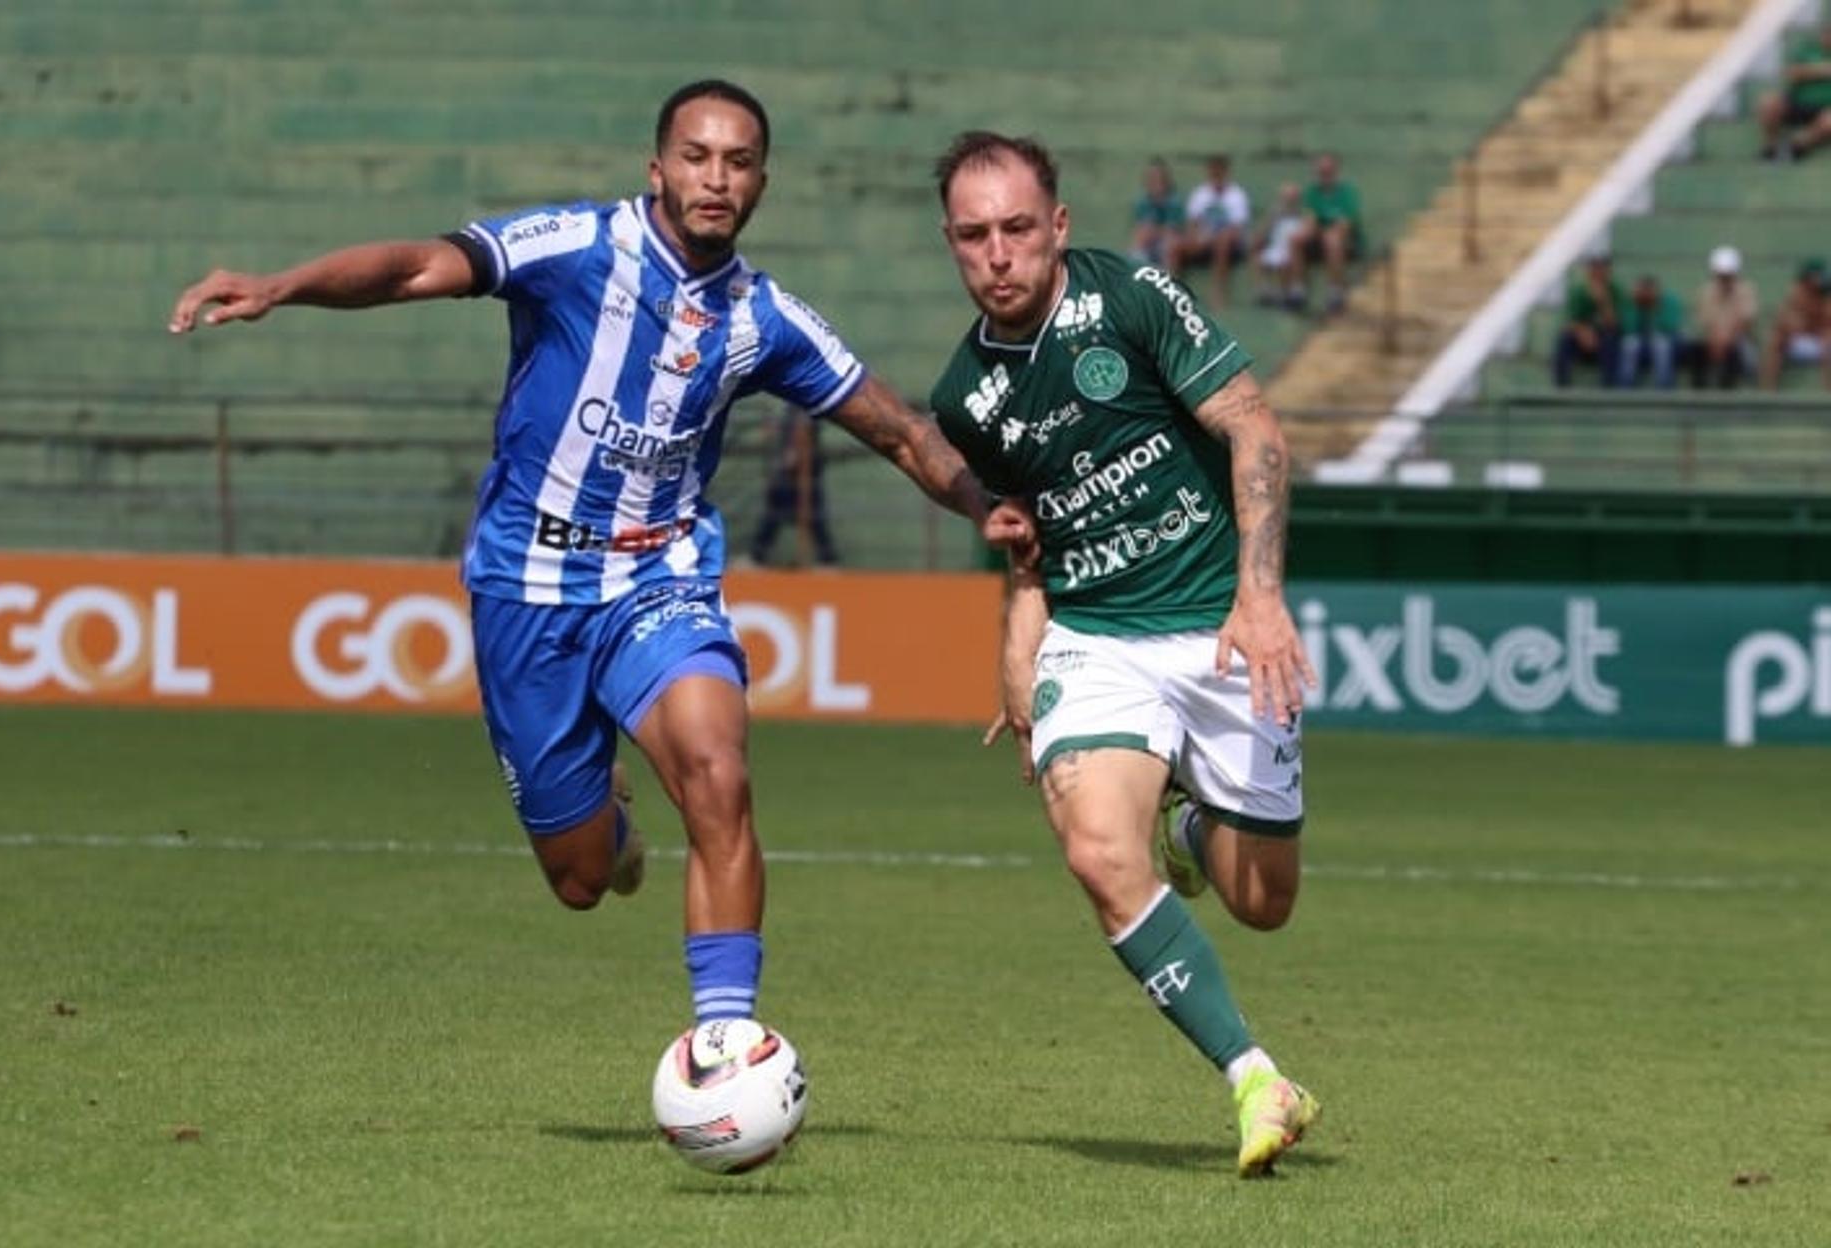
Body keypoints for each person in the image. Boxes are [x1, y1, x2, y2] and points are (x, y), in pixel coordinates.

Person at [169, 80, 1018, 1032]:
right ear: (657, 170)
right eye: (696, 156)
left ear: (761, 185)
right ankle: (605, 819)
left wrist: (985, 503)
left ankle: (725, 1043)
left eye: (738, 163)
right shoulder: (575, 248)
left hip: (656, 581)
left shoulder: (761, 319)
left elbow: (900, 429)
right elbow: (417, 267)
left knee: (717, 772)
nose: (716, 177)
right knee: (580, 878)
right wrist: (282, 287)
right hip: (524, 588)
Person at [927, 131, 1319, 1177]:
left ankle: (1193, 825)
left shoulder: (1132, 298)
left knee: (1262, 902)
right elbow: (1031, 552)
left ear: (1058, 227)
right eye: (974, 236)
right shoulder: (967, 398)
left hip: (1222, 626)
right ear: (952, 246)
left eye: (1017, 228)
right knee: (1099, 853)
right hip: (1098, 641)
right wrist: (1020, 659)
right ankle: (1254, 1078)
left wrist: (1262, 594)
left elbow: (1256, 431)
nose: (998, 253)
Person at [746, 401, 839, 567]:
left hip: (802, 469)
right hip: (793, 469)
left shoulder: (803, 406)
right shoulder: (790, 406)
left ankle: (827, 559)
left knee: (810, 514)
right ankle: (757, 555)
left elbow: (804, 433)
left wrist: (794, 456)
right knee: (778, 512)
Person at [1289, 152, 1363, 314]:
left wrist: (1323, 229)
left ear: (1335, 171)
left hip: (1344, 240)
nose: (1324, 174)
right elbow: (1310, 219)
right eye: (1321, 171)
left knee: (1332, 239)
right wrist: (1310, 230)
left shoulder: (1346, 192)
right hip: (1319, 237)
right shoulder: (1312, 192)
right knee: (1295, 238)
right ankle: (1298, 290)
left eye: (1328, 170)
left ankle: (1335, 291)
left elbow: (1345, 224)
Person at [1176, 155, 1250, 307]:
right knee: (1174, 246)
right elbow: (1192, 224)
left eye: (1219, 171)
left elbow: (1237, 229)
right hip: (1202, 240)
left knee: (1223, 240)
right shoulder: (1200, 194)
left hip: (1229, 243)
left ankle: (1218, 293)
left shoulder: (1236, 195)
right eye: (1213, 171)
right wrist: (1197, 238)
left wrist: (1212, 238)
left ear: (1225, 172)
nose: (1216, 175)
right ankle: (1174, 293)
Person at [1758, 23, 1831, 162]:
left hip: (1826, 108)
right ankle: (1770, 148)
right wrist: (1821, 70)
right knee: (1768, 102)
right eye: (1827, 33)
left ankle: (1798, 146)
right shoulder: (1808, 49)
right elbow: (1790, 72)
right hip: (1797, 102)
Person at [1552, 253, 1626, 388]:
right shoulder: (1578, 291)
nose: (1598, 273)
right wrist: (1584, 333)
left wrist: (1603, 301)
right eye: (1594, 268)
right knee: (1564, 339)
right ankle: (1561, 385)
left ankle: (1608, 386)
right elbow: (1570, 321)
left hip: (1605, 334)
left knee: (1611, 340)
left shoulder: (1617, 291)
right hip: (1583, 334)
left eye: (1602, 269)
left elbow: (1614, 324)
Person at [1690, 245, 1758, 390]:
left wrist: (1726, 341)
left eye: (1728, 275)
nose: (1725, 279)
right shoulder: (1706, 292)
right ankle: (1697, 393)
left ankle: (1727, 392)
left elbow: (1745, 323)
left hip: (1736, 339)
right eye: (1722, 275)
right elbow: (1706, 323)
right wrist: (1715, 341)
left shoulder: (1746, 291)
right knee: (1695, 349)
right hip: (1714, 339)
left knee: (1735, 351)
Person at [1760, 257, 1831, 389]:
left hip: (1821, 343)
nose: (1819, 279)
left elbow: (1826, 324)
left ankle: (1828, 395)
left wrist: (1814, 324)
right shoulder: (1796, 293)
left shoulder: (1826, 294)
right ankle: (1767, 390)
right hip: (1799, 342)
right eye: (1816, 275)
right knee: (1776, 340)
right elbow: (1786, 323)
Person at [1619, 274, 1682, 389]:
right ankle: (1625, 388)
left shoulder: (1669, 301)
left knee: (1661, 345)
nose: (1646, 294)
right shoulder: (1631, 302)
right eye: (1643, 290)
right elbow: (1628, 327)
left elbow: (1670, 327)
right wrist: (1637, 306)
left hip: (1664, 340)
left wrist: (1655, 307)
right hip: (1639, 340)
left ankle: (1664, 388)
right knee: (1629, 344)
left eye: (1649, 290)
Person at [1253, 183, 1307, 308]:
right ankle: (1264, 290)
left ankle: (1290, 292)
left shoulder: (1302, 215)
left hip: (1293, 253)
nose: (1289, 201)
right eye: (1286, 198)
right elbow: (1262, 233)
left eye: (1292, 198)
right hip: (1276, 249)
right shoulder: (1275, 215)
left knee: (1285, 261)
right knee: (1257, 253)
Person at [1128, 157, 1184, 270]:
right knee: (1140, 237)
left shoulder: (1174, 202)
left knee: (1170, 243)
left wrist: (1153, 231)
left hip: (1166, 245)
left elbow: (1172, 230)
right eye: (1152, 178)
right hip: (1147, 245)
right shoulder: (1142, 203)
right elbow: (1140, 230)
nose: (1155, 182)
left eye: (1158, 178)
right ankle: (1136, 277)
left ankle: (1166, 282)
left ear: (1166, 180)